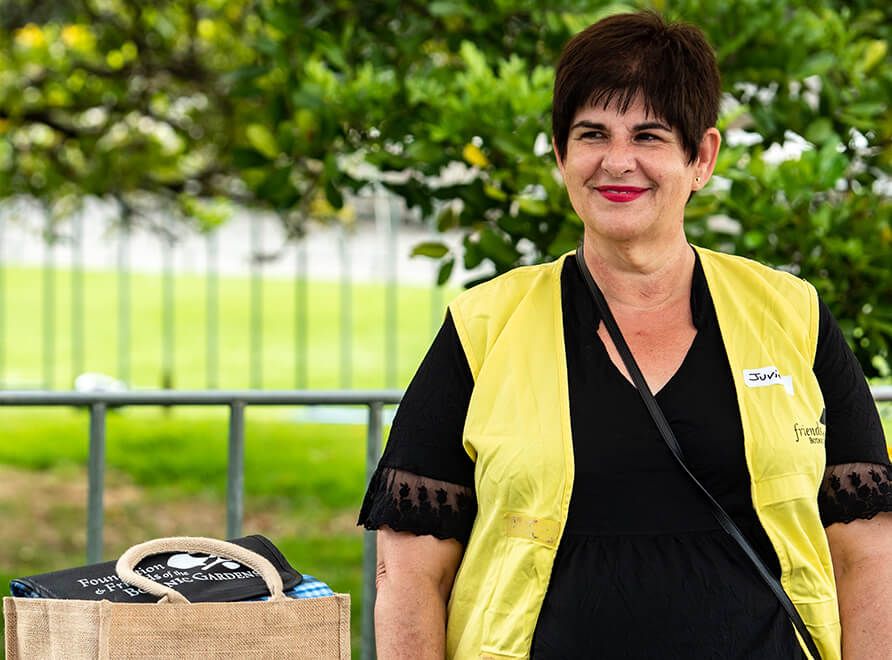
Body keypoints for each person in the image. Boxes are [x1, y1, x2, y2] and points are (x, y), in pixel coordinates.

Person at [358, 11, 892, 659]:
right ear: (560, 154)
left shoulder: (793, 317)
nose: (617, 161)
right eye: (591, 134)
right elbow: (412, 570)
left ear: (701, 158)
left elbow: (866, 558)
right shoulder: (483, 327)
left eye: (649, 135)